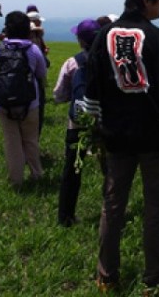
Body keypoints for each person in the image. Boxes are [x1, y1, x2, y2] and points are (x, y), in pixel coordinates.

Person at [83, 0, 159, 296]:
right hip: (153, 140)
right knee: (156, 208)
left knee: (113, 206)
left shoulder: (104, 37)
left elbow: (93, 91)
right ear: (146, 0)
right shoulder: (157, 40)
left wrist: (100, 130)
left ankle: (106, 277)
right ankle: (155, 283)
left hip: (116, 137)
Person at [0, 11, 47, 187]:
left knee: (12, 142)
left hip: (3, 104)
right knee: (30, 140)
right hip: (30, 102)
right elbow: (41, 73)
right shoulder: (32, 49)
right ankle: (37, 174)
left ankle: (16, 179)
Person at [54, 18, 101, 227]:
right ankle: (112, 211)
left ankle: (66, 216)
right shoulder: (110, 62)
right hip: (104, 123)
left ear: (81, 41)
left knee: (72, 169)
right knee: (111, 169)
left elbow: (58, 94)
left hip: (78, 123)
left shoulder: (72, 62)